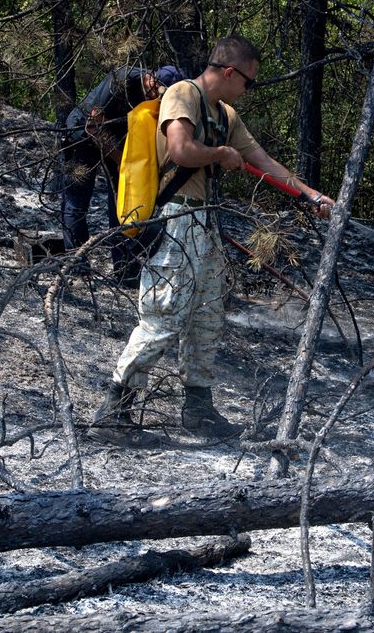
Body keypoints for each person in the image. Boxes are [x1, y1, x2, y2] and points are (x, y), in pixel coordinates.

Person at [92, 36, 335, 445]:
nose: (248, 89)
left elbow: (262, 160)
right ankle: (114, 410)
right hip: (173, 219)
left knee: (206, 318)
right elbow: (182, 150)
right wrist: (220, 153)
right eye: (248, 81)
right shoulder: (183, 93)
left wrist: (308, 194)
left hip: (204, 222)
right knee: (163, 318)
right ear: (228, 71)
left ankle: (198, 409)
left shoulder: (226, 114)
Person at [60, 65, 185, 285]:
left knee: (122, 204)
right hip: (81, 135)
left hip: (115, 142)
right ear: (154, 83)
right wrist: (121, 160)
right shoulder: (122, 81)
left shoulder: (155, 101)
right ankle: (77, 266)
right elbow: (93, 125)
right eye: (163, 95)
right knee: (77, 205)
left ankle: (125, 268)